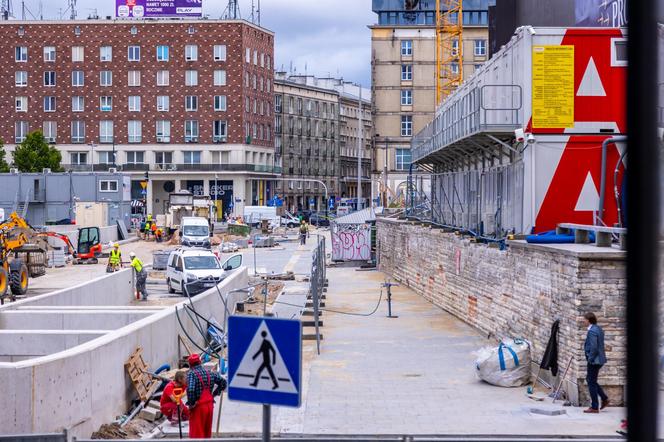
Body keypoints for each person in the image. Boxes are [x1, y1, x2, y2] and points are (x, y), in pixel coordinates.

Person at [186, 353, 227, 439]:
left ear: (190, 365)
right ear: (200, 362)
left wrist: (192, 403)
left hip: (198, 407)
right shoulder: (209, 373)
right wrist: (214, 394)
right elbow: (223, 382)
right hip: (209, 406)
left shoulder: (191, 374)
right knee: (206, 432)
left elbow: (190, 389)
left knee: (196, 435)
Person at [583, 312, 609, 413]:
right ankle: (604, 398)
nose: (583, 321)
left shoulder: (592, 331)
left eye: (584, 319)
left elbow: (594, 347)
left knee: (591, 382)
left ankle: (594, 407)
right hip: (599, 360)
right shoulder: (597, 328)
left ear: (589, 320)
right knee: (591, 380)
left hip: (594, 361)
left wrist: (590, 359)